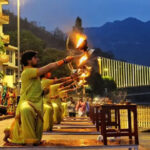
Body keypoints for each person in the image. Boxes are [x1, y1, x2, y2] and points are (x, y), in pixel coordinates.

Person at [3, 50, 74, 145]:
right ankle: (28, 140)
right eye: (35, 58)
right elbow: (49, 67)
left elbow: (37, 90)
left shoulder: (35, 76)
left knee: (38, 126)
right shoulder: (27, 72)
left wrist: (44, 91)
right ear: (29, 60)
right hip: (27, 102)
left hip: (37, 103)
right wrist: (64, 61)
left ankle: (12, 133)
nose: (38, 59)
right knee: (26, 110)